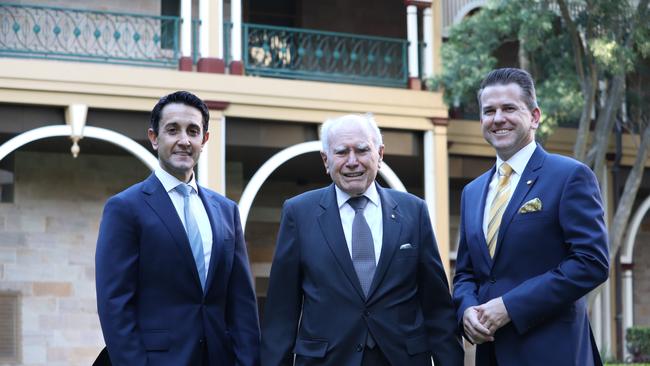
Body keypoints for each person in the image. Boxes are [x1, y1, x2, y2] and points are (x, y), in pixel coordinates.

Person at [261, 114, 464, 366]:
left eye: (362, 150)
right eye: (341, 152)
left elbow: (437, 307)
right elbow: (281, 312)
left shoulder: (414, 211)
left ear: (380, 154)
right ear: (326, 160)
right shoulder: (299, 213)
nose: (352, 161)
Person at [453, 68, 609, 365]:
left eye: (509, 108)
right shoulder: (472, 192)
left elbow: (592, 262)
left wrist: (509, 306)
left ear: (535, 116)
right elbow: (466, 273)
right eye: (489, 111)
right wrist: (466, 311)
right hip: (492, 355)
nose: (498, 118)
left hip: (555, 353)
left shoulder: (569, 176)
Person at [95, 91, 260, 366]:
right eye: (173, 130)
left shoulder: (226, 211)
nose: (184, 140)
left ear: (204, 140)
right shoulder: (125, 208)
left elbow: (242, 301)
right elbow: (115, 304)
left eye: (193, 131)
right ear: (154, 137)